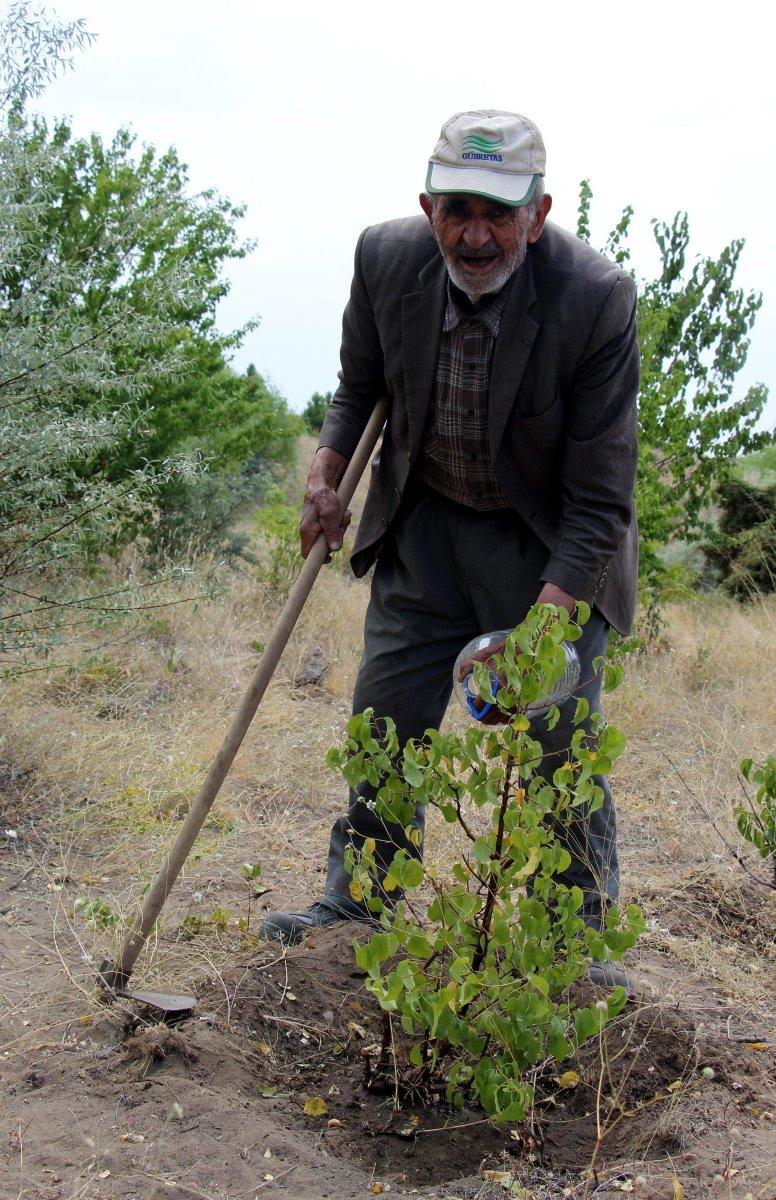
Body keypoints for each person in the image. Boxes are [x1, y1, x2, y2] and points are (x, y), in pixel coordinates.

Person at [260, 110, 640, 989]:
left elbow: (598, 504)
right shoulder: (385, 260)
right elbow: (359, 388)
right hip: (427, 526)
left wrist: (538, 635)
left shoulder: (595, 299)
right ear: (425, 204)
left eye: (498, 214)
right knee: (383, 719)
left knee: (558, 742)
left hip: (549, 546)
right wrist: (325, 476)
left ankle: (571, 940)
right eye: (456, 208)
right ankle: (360, 898)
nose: (475, 235)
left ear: (537, 215)